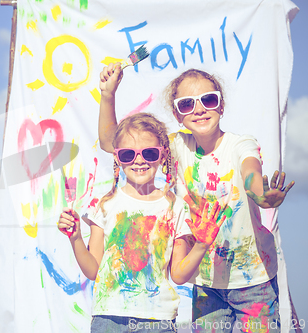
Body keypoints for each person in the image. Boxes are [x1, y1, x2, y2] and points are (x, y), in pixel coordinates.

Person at [98, 64, 295, 333]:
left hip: (254, 280)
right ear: (178, 115)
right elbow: (113, 143)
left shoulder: (240, 144)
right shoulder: (176, 146)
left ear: (221, 106)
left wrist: (261, 195)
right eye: (187, 104)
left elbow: (251, 173)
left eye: (208, 100)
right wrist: (108, 95)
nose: (199, 109)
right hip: (206, 283)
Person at [58, 113, 226, 333]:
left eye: (149, 153)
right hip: (108, 319)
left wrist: (202, 246)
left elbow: (178, 275)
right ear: (117, 158)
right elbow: (93, 270)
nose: (139, 160)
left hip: (158, 321)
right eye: (128, 154)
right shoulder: (104, 204)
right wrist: (76, 238)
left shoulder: (176, 206)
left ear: (162, 154)